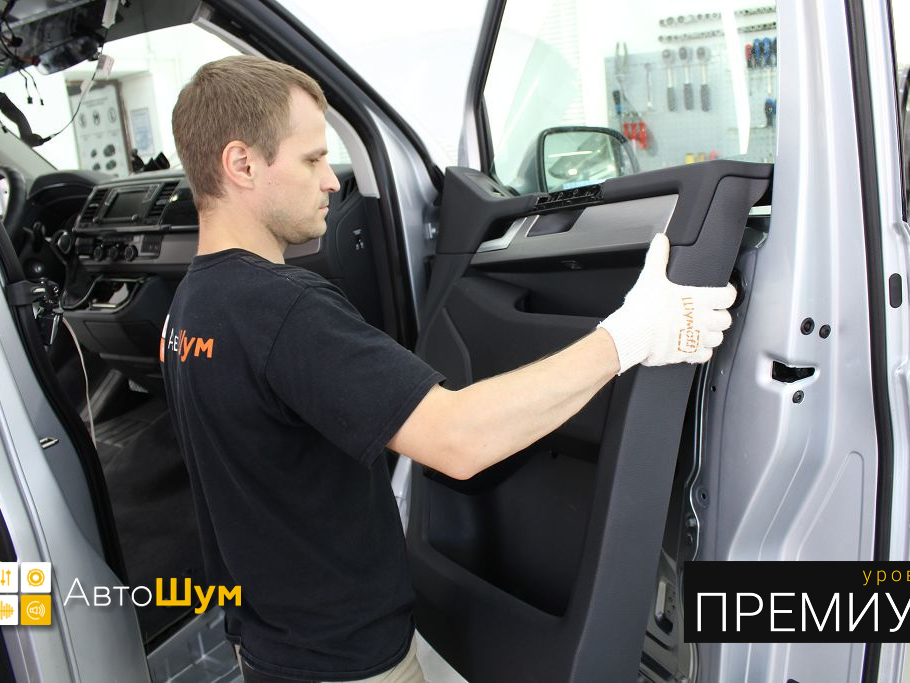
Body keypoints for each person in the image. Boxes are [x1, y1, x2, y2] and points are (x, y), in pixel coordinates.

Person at [162, 55, 735, 683]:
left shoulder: (190, 307)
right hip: (346, 665)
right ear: (242, 164)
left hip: (268, 648)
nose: (330, 181)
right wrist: (632, 334)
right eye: (312, 159)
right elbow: (457, 441)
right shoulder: (282, 308)